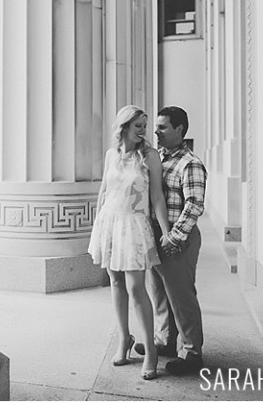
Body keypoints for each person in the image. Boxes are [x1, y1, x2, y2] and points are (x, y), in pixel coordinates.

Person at [88, 105, 174, 381]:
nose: (143, 130)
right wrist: (97, 226)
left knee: (136, 288)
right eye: (137, 125)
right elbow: (104, 190)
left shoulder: (150, 156)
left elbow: (157, 197)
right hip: (110, 223)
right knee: (115, 282)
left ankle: (150, 350)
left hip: (135, 225)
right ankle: (124, 339)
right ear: (123, 126)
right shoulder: (111, 154)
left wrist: (166, 231)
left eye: (144, 125)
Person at [134, 106, 207, 375]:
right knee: (160, 293)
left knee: (181, 296)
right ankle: (165, 341)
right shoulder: (159, 158)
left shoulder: (191, 163)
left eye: (163, 127)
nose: (156, 131)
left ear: (180, 130)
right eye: (157, 126)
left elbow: (195, 204)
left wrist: (174, 236)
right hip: (157, 236)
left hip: (179, 240)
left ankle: (191, 353)